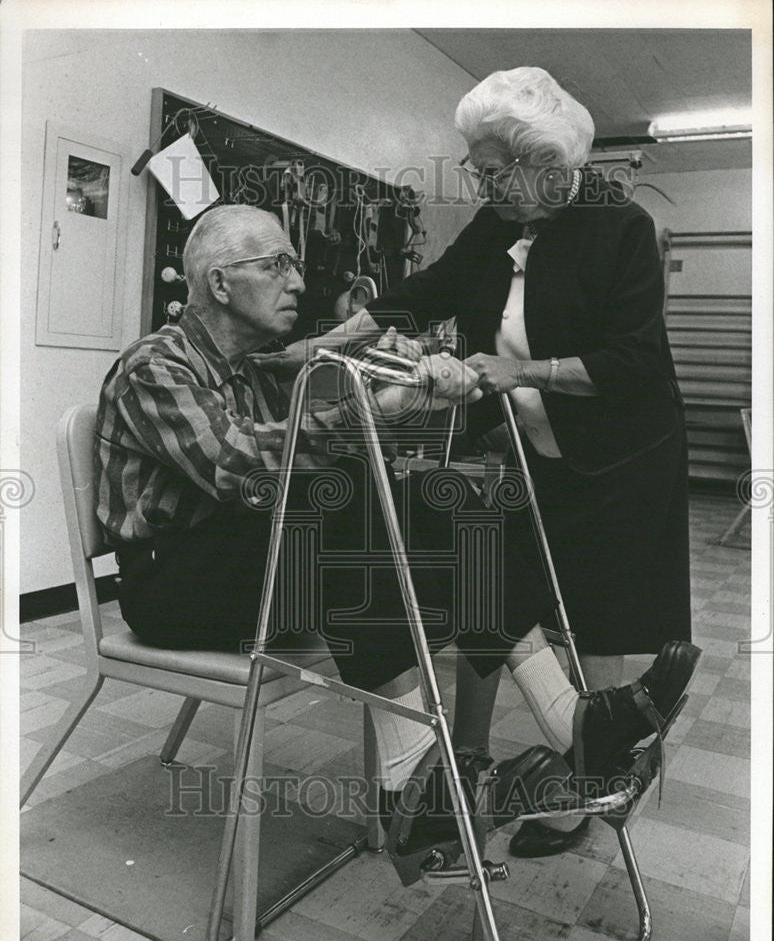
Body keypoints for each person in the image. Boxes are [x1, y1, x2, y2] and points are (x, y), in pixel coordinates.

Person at [95, 204, 697, 880]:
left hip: (254, 572)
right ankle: (419, 782)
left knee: (431, 497)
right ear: (218, 283)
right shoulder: (154, 366)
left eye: (295, 263)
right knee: (346, 508)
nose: (298, 281)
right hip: (170, 586)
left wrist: (404, 382)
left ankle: (566, 724)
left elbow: (327, 457)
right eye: (277, 265)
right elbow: (238, 466)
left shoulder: (258, 370)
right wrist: (366, 408)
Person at [256, 67, 695, 859]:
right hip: (535, 449)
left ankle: (587, 787)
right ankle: (484, 755)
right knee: (496, 571)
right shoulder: (497, 225)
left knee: (600, 606)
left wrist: (518, 370)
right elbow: (427, 291)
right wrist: (328, 342)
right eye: (476, 169)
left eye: (492, 170)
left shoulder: (619, 226)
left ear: (547, 164)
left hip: (625, 450)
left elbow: (634, 364)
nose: (480, 184)